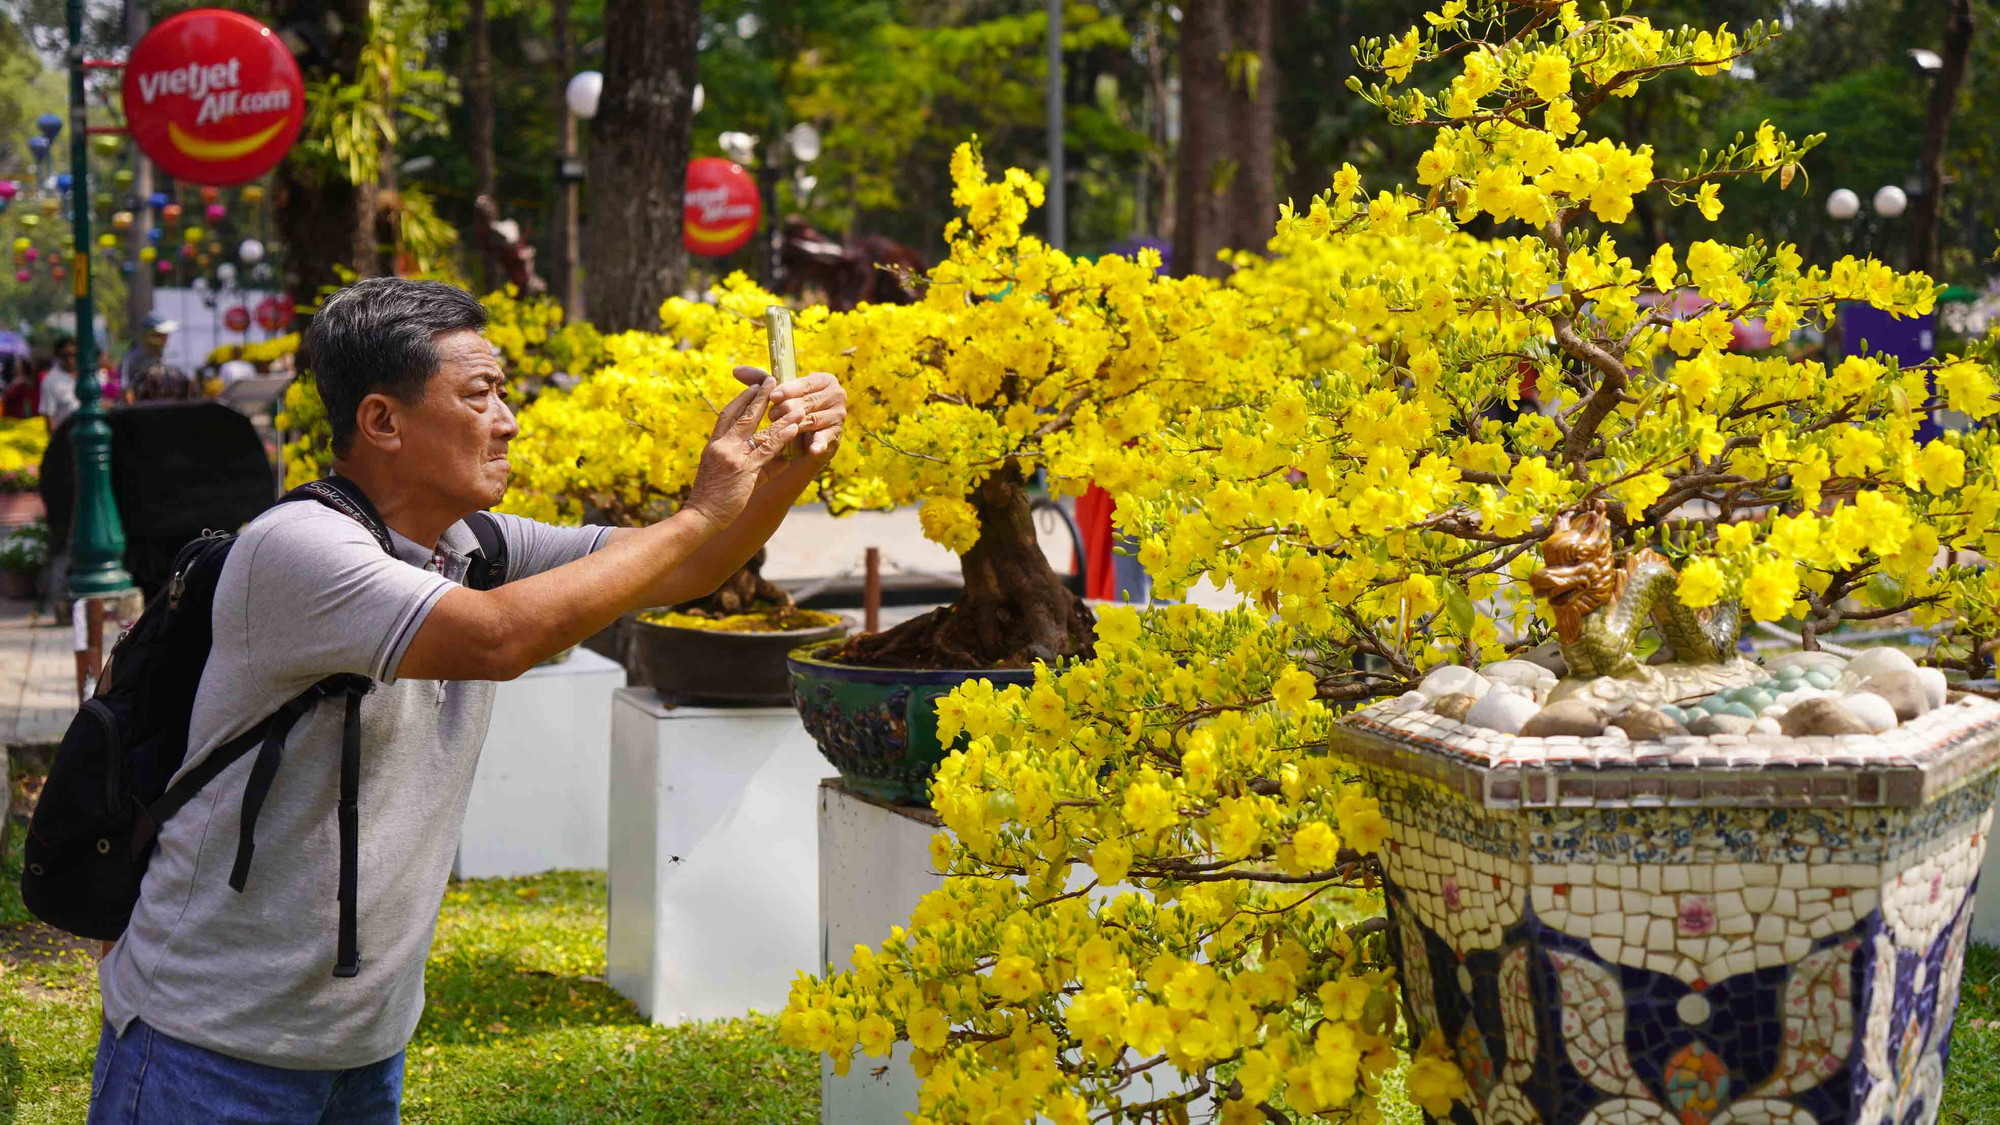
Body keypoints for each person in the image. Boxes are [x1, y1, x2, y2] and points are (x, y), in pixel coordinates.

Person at [86, 278, 847, 1124]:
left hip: (363, 1046)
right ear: (383, 420)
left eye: (504, 394)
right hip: (208, 1047)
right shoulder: (300, 549)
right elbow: (495, 641)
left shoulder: (473, 543)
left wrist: (784, 470)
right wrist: (703, 507)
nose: (508, 419)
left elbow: (682, 566)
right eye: (479, 394)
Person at [40, 336, 79, 431]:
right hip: (66, 437)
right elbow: (49, 416)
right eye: (65, 356)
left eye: (73, 355)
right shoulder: (51, 381)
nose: (70, 360)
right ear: (58, 356)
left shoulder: (86, 375)